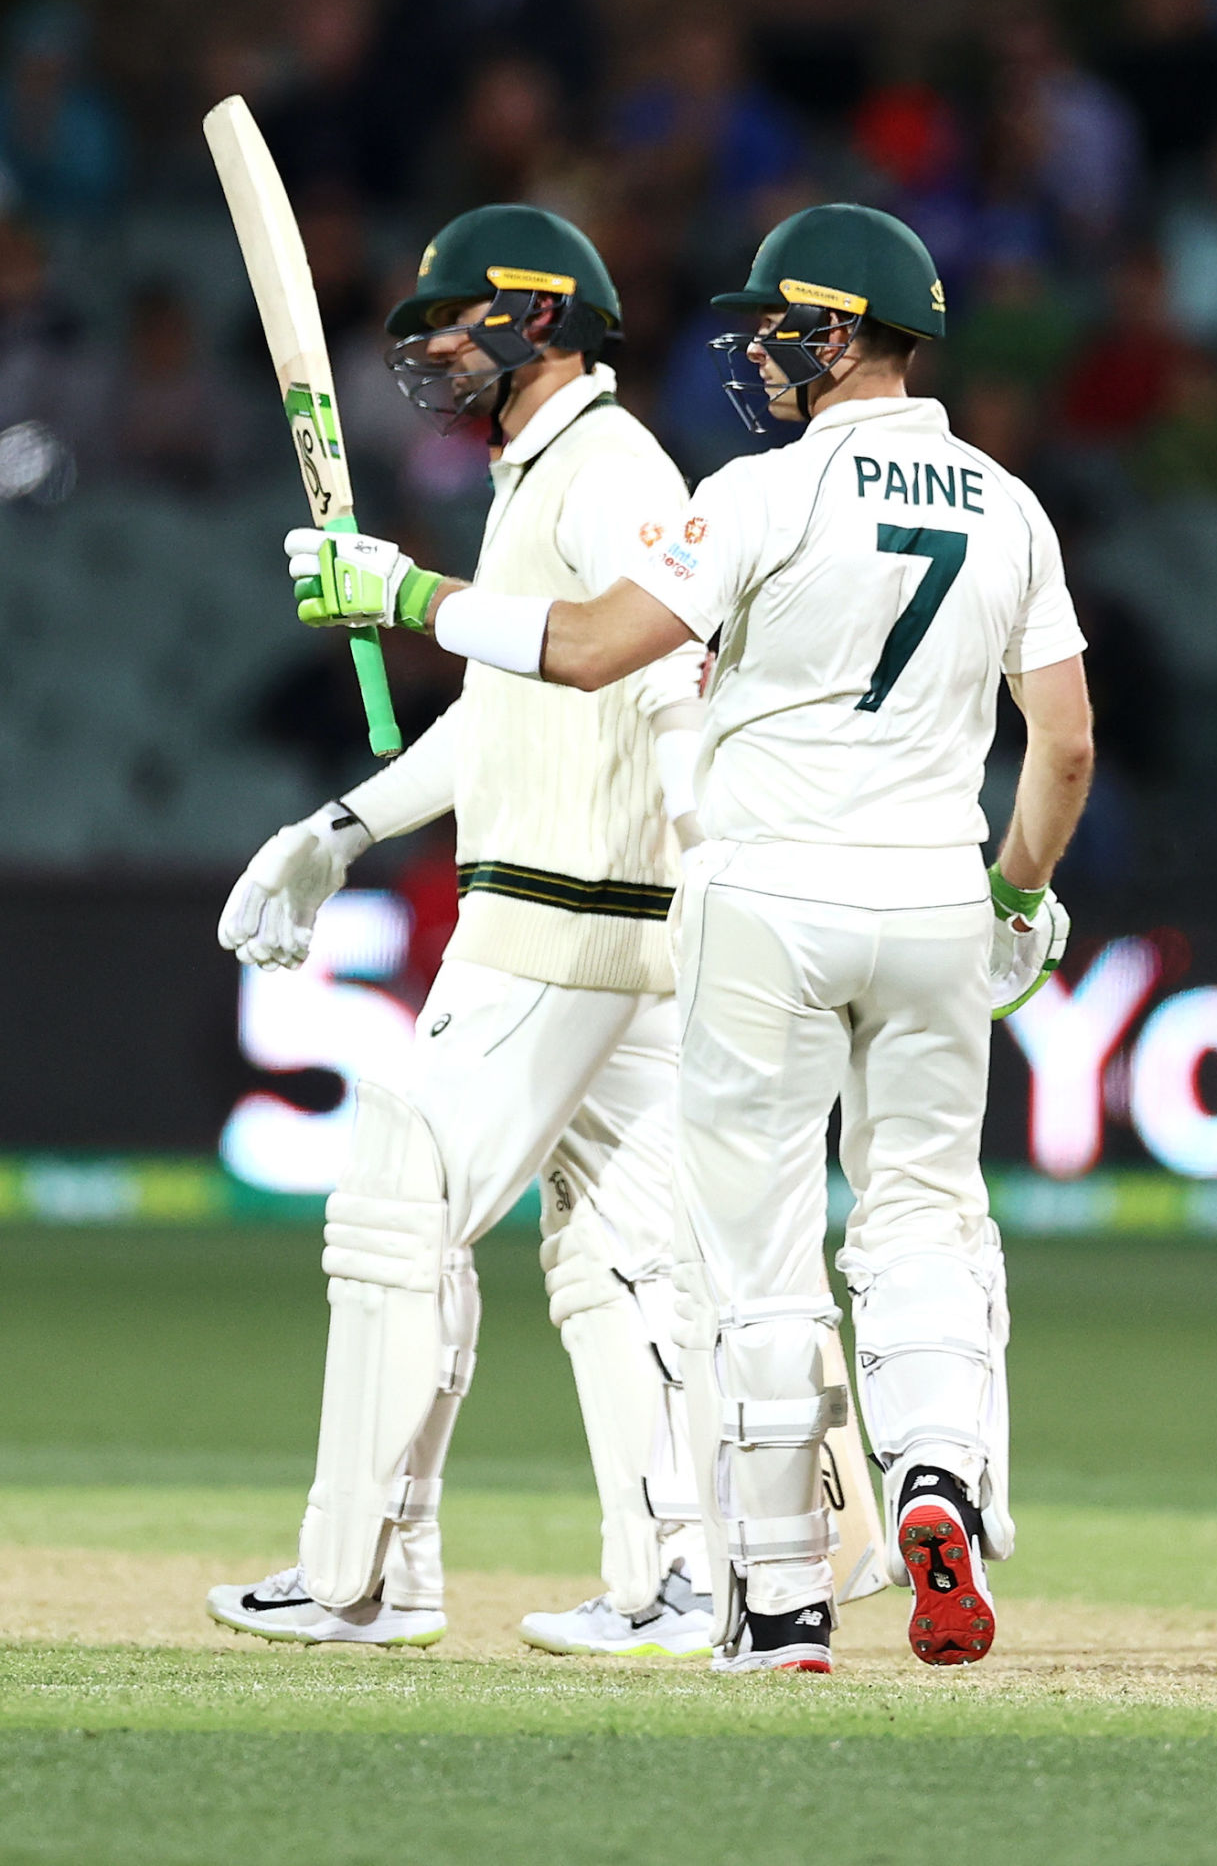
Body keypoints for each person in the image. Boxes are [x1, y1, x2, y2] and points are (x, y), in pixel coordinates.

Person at [297, 202, 1093, 1673]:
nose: (758, 352)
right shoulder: (1012, 507)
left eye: (777, 326)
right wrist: (1015, 895)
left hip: (769, 898)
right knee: (927, 1219)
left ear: (836, 331)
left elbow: (591, 647)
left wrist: (406, 594)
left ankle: (780, 1601)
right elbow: (1064, 747)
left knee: (754, 1256)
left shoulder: (760, 493)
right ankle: (937, 1481)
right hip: (934, 899)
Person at [207, 204, 717, 1657]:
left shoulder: (610, 467)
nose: (430, 352)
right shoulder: (547, 471)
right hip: (609, 923)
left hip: (563, 913)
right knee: (619, 1253)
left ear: (536, 316)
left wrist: (406, 594)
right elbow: (506, 710)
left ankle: (363, 1575)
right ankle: (681, 1580)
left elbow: (658, 647)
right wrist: (341, 829)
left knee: (399, 1190)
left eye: (450, 324)